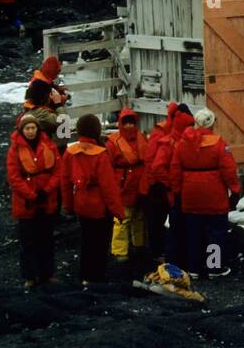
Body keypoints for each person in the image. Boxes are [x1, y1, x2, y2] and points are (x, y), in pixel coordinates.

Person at [171, 108, 241, 279]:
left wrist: (178, 191)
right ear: (211, 124)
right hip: (213, 194)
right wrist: (235, 190)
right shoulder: (218, 143)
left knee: (193, 232)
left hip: (190, 194)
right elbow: (229, 170)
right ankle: (214, 267)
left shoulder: (182, 143)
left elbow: (174, 169)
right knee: (216, 232)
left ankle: (194, 268)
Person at [61, 114, 123, 285]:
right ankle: (98, 278)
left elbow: (65, 182)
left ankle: (85, 276)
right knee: (100, 244)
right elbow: (109, 188)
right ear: (96, 131)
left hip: (81, 203)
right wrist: (119, 212)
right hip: (99, 206)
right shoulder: (101, 155)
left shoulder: (70, 152)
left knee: (87, 241)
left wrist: (68, 206)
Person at [6, 114, 60, 289]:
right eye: (27, 128)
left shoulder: (48, 145)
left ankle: (47, 273)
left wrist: (47, 190)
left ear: (38, 129)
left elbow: (58, 171)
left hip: (46, 199)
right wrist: (31, 195)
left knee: (47, 239)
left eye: (33, 128)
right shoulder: (14, 150)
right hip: (26, 202)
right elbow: (14, 178)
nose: (30, 131)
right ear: (22, 130)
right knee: (28, 241)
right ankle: (29, 276)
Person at [141, 101, 188, 262]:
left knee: (167, 220)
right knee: (157, 221)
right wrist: (159, 183)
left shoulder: (175, 134)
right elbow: (152, 162)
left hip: (165, 184)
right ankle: (157, 253)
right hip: (157, 185)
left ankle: (167, 252)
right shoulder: (161, 134)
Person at [107, 108, 149, 265]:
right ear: (120, 123)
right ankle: (119, 250)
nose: (129, 126)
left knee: (139, 216)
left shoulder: (142, 138)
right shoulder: (113, 142)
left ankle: (138, 244)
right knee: (122, 219)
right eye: (126, 123)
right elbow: (109, 166)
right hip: (123, 185)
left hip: (140, 183)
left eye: (132, 122)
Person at [157, 107, 197, 266]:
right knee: (203, 230)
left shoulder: (174, 143)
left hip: (182, 192)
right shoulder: (186, 143)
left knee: (178, 228)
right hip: (186, 193)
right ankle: (208, 264)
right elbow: (159, 168)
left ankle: (176, 261)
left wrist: (170, 186)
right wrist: (171, 186)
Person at [22, 78, 62, 149]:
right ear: (44, 97)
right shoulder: (40, 113)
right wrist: (58, 103)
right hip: (48, 149)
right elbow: (63, 122)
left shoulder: (30, 108)